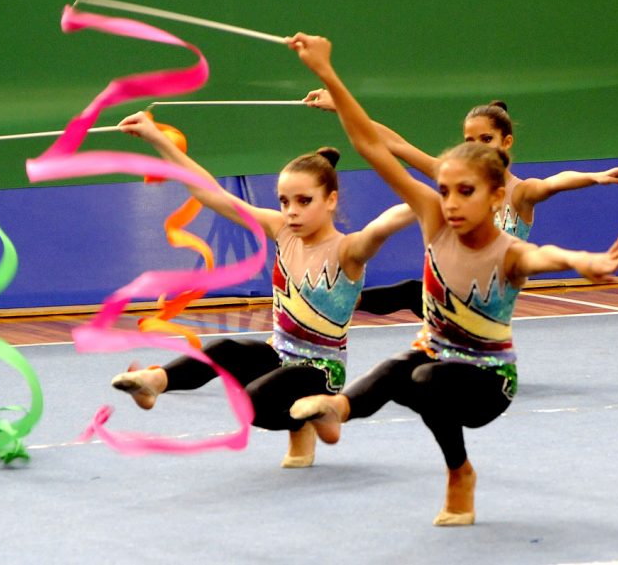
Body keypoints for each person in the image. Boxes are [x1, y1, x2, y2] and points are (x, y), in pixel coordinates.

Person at [286, 32, 618, 525]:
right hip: (436, 357)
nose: (449, 202)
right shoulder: (433, 216)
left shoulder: (508, 243)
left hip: (487, 382)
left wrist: (581, 261)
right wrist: (327, 74)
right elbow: (374, 145)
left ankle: (455, 472)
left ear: (494, 197)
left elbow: (540, 254)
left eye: (464, 192)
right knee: (403, 366)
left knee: (421, 373)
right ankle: (341, 410)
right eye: (443, 190)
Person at [111, 111, 416, 468]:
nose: (291, 212)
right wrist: (157, 138)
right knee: (225, 348)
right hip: (280, 353)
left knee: (251, 404)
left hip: (321, 370)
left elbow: (387, 222)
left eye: (304, 201)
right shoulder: (281, 230)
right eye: (284, 201)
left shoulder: (347, 251)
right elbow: (213, 195)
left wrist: (438, 195)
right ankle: (155, 382)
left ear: (330, 200)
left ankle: (319, 412)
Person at [304, 89, 618, 319]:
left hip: (486, 303)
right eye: (470, 140)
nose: (478, 146)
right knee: (413, 291)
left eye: (487, 139)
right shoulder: (455, 178)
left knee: (413, 294)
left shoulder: (520, 193)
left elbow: (556, 181)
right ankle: (340, 301)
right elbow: (397, 144)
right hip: (452, 292)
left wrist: (594, 176)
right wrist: (341, 106)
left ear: (506, 142)